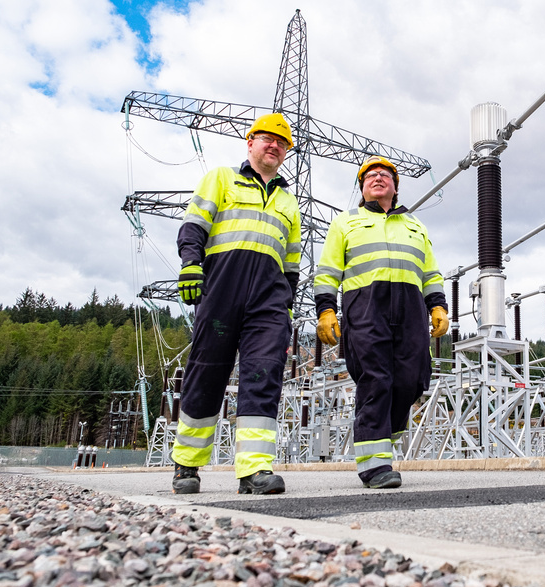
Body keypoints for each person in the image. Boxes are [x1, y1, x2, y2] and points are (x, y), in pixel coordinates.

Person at [171, 112, 301, 495]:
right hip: (221, 292)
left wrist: (288, 309)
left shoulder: (289, 202)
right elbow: (194, 224)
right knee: (206, 373)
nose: (274, 145)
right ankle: (187, 465)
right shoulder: (221, 178)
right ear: (250, 143)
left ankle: (254, 470)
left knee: (263, 375)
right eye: (267, 139)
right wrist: (191, 263)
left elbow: (291, 263)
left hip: (269, 301)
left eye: (281, 143)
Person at [313, 156, 448, 489]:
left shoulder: (415, 226)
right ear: (362, 187)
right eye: (369, 175)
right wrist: (326, 309)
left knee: (412, 378)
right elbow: (328, 270)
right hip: (366, 308)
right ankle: (374, 466)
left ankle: (383, 433)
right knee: (375, 379)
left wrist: (438, 306)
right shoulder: (346, 223)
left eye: (384, 175)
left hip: (411, 310)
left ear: (395, 186)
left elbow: (430, 272)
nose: (377, 178)